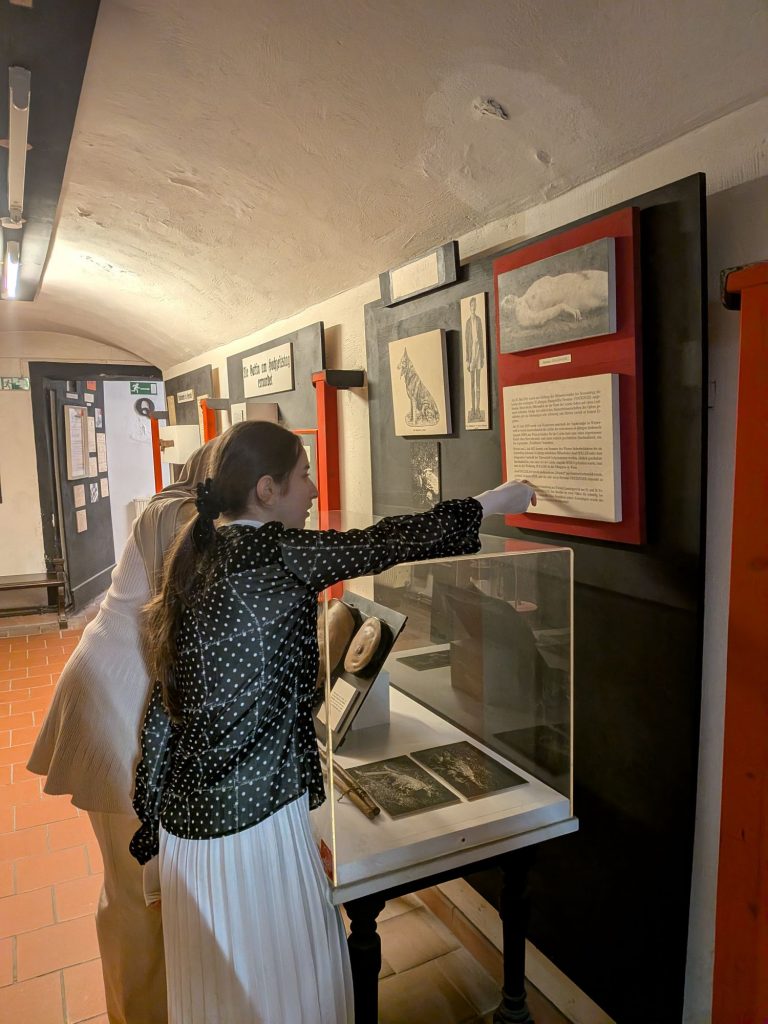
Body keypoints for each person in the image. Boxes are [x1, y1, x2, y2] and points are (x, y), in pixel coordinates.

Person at [129, 420, 536, 1024]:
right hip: (254, 830)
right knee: (293, 988)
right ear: (267, 489)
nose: (315, 490)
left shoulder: (199, 555)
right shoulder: (274, 553)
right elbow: (385, 542)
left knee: (216, 997)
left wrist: (152, 815)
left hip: (190, 834)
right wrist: (492, 502)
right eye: (305, 475)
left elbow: (165, 710)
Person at [27, 440, 217, 1024]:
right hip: (115, 700)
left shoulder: (173, 507)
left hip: (120, 693)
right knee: (136, 890)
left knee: (138, 884)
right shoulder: (183, 516)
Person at [464, 295, 486, 422]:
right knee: (472, 383)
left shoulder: (479, 320)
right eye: (472, 305)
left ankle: (478, 409)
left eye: (475, 305)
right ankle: (472, 409)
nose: (473, 307)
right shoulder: (468, 323)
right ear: (470, 307)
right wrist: (467, 359)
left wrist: (482, 357)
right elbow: (466, 341)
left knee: (478, 383)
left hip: (478, 352)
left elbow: (481, 338)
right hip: (471, 353)